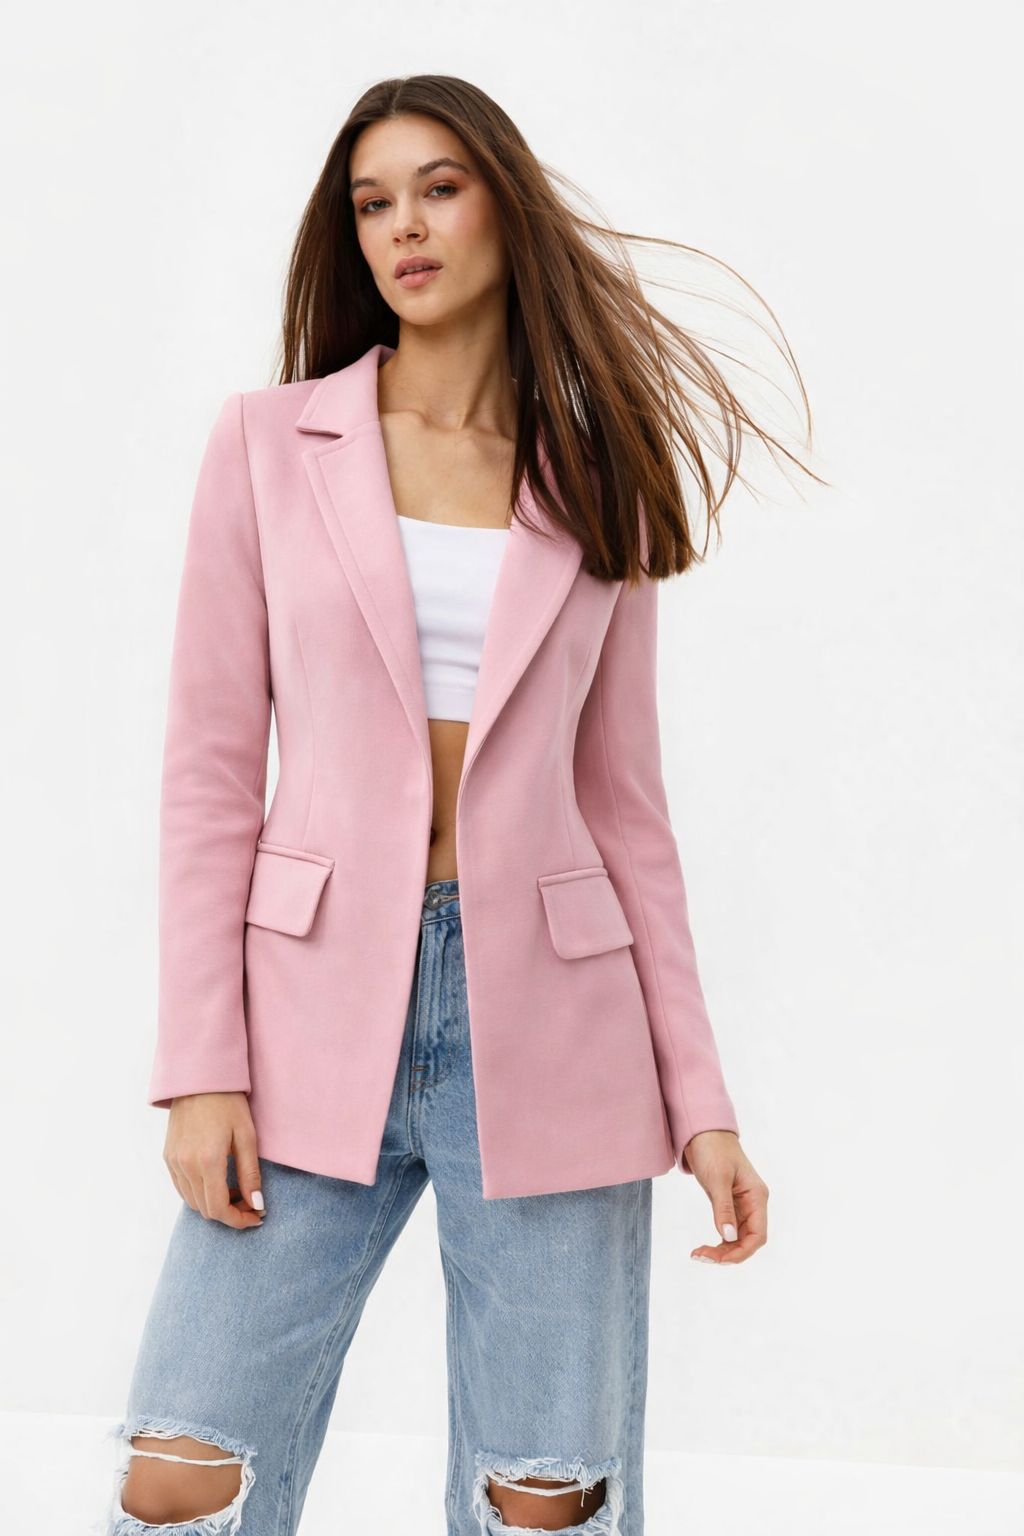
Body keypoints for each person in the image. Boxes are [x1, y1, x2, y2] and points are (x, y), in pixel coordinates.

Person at [98, 72, 811, 1536]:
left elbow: (628, 813)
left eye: (438, 188)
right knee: (181, 1475)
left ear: (505, 206)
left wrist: (702, 1105)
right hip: (304, 1014)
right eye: (373, 203)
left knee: (540, 1499)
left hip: (552, 1023)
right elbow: (210, 774)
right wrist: (200, 1066)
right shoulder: (267, 444)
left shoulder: (597, 474)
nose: (403, 228)